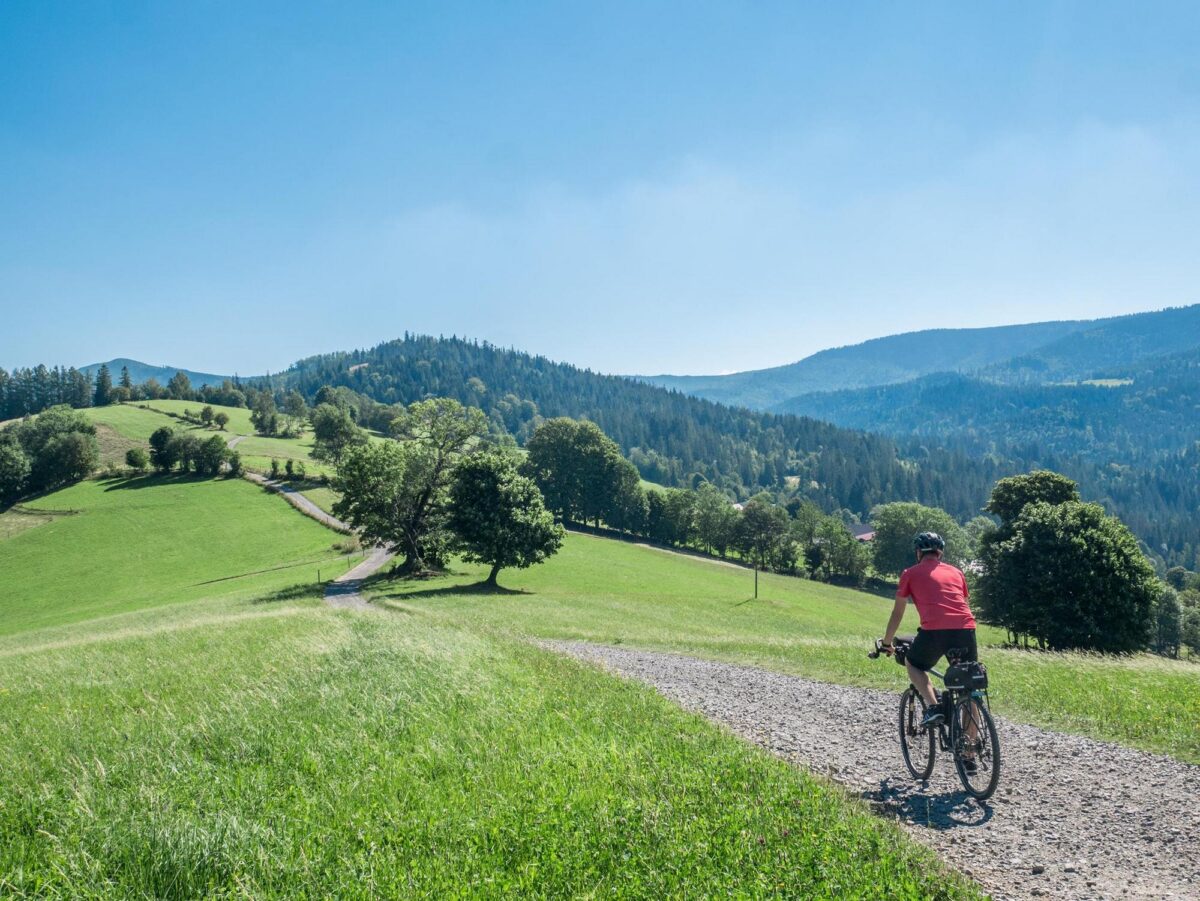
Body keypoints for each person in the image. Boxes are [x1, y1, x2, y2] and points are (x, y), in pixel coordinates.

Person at [880, 532, 977, 728]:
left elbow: (897, 613)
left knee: (913, 663)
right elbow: (965, 604)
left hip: (934, 631)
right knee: (969, 688)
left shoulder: (910, 573)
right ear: (940, 553)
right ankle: (970, 750)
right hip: (966, 629)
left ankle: (934, 707)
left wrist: (886, 643)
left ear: (918, 553)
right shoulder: (957, 572)